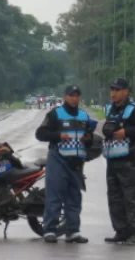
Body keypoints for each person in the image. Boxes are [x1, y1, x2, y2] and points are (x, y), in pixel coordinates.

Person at [35, 85, 95, 244]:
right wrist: (58, 135)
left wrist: (88, 139)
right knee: (54, 195)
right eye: (71, 95)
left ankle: (73, 231)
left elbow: (90, 141)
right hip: (58, 159)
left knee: (74, 197)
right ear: (65, 97)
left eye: (77, 95)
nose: (74, 98)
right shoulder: (55, 114)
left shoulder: (84, 116)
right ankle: (50, 230)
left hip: (76, 162)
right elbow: (40, 134)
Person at [102, 78, 135, 246]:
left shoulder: (134, 110)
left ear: (125, 92)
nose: (113, 93)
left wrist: (127, 132)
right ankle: (121, 231)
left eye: (117, 90)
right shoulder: (110, 108)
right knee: (114, 197)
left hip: (129, 160)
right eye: (112, 89)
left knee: (131, 197)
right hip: (112, 159)